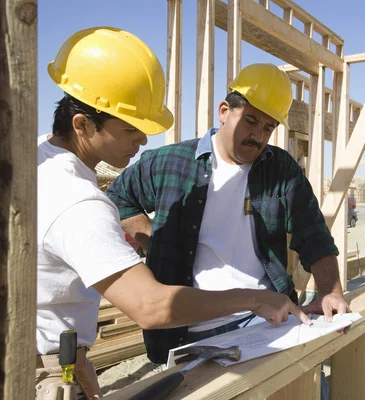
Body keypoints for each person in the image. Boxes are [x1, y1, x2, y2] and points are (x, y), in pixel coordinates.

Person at [37, 27, 313, 400]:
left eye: (268, 126)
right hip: (49, 369)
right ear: (82, 124)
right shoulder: (81, 202)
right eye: (131, 128)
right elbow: (151, 306)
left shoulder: (37, 160)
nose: (143, 140)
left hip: (57, 357)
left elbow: (312, 231)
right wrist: (254, 298)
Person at [105, 62, 350, 365]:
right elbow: (117, 197)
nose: (258, 136)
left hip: (266, 318)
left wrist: (329, 290)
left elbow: (313, 233)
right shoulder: (170, 162)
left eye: (268, 127)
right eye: (251, 121)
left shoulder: (280, 168)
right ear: (224, 111)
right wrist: (154, 240)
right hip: (191, 330)